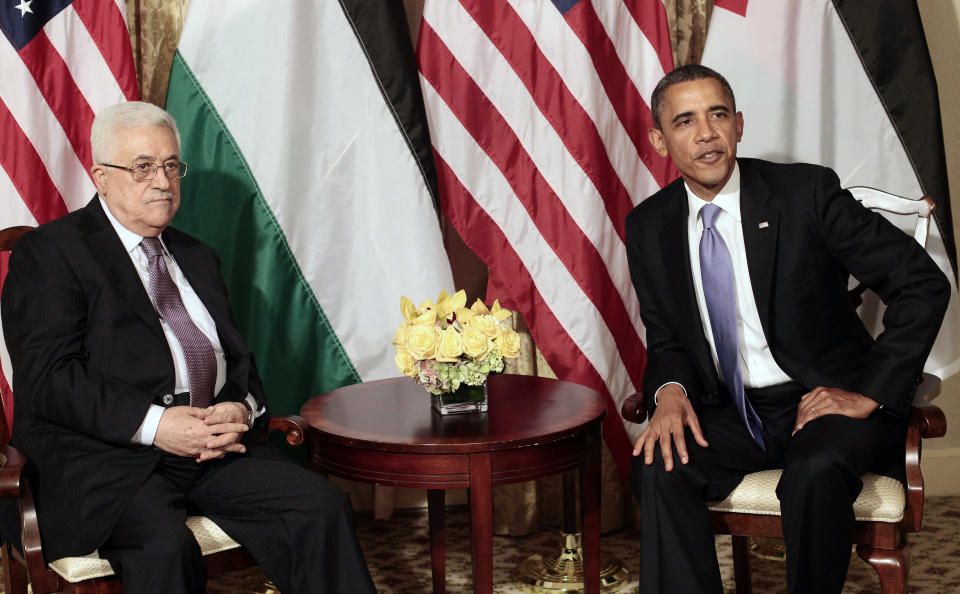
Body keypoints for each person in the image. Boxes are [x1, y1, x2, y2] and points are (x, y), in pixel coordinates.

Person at [0, 101, 376, 594]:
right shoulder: (51, 253)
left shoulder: (198, 255)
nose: (162, 180)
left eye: (172, 165)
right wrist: (157, 426)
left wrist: (239, 410)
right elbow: (50, 379)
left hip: (211, 450)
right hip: (106, 460)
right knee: (164, 548)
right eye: (142, 167)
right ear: (102, 177)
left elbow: (240, 363)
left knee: (320, 507)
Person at [625, 65, 950, 594]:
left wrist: (868, 394)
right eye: (685, 121)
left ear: (739, 125)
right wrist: (669, 392)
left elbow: (922, 283)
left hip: (825, 399)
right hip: (731, 410)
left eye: (718, 114)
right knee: (659, 467)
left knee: (814, 473)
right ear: (660, 140)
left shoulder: (804, 192)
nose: (706, 133)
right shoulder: (649, 225)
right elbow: (665, 337)